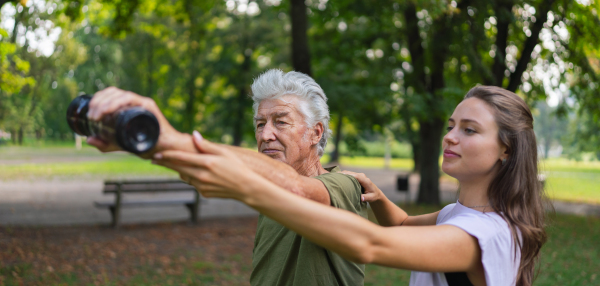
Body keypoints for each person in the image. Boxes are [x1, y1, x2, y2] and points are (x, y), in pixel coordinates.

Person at [153, 86, 549, 286]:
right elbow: (398, 226)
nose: (450, 137)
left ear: (505, 150)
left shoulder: (483, 235)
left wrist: (248, 188)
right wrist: (377, 198)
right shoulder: (458, 217)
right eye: (450, 126)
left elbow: (371, 244)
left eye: (470, 130)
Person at [86, 69, 367, 285]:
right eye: (260, 123)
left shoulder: (346, 187)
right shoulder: (271, 185)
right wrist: (141, 140)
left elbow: (299, 191)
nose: (265, 134)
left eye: (280, 121)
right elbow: (203, 171)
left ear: (316, 133)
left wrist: (167, 137)